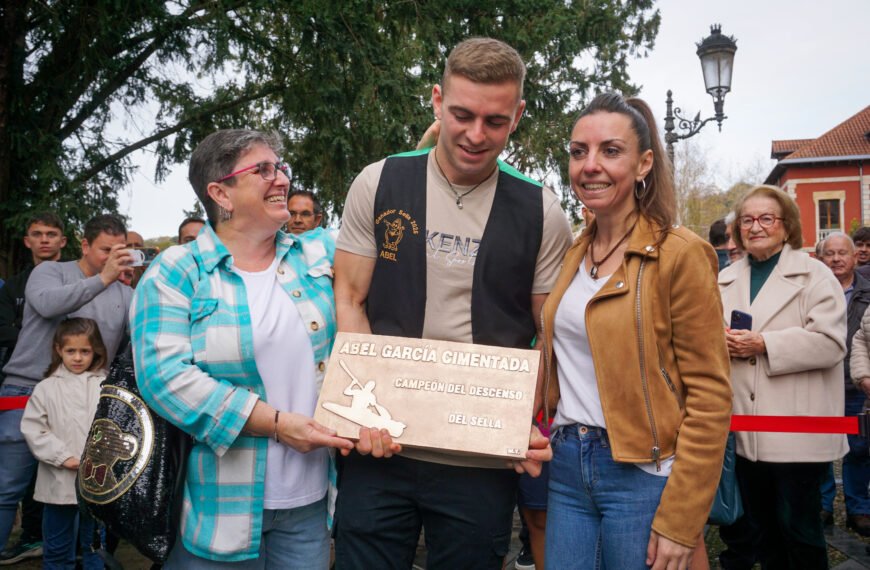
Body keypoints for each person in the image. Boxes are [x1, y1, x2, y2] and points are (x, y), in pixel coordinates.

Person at [333, 37, 573, 569]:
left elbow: (547, 332)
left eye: (495, 121)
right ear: (437, 101)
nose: (475, 134)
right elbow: (349, 298)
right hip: (381, 447)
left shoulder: (542, 211)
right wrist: (361, 404)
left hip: (480, 457)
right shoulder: (378, 182)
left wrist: (519, 420)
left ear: (518, 115)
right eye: (462, 114)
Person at [131, 129, 355, 567]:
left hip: (309, 509)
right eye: (263, 170)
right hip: (220, 512)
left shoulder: (318, 252)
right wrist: (274, 423)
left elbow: (385, 222)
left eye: (281, 168)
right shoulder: (177, 270)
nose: (282, 180)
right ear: (221, 193)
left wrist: (429, 151)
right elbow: (165, 379)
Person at [538, 92, 731, 570]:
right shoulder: (572, 256)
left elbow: (709, 395)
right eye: (578, 151)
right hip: (566, 469)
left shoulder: (679, 253)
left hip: (643, 474)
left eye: (610, 151)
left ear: (644, 163)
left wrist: (683, 519)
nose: (590, 165)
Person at [718, 185, 847, 569]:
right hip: (744, 432)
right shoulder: (725, 279)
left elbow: (830, 343)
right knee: (762, 534)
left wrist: (764, 344)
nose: (755, 227)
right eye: (747, 220)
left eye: (766, 219)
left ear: (786, 225)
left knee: (801, 533)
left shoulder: (815, 275)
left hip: (797, 433)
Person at [0, 214, 133, 558]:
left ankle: (79, 560)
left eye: (120, 250)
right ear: (85, 245)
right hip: (28, 390)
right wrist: (103, 279)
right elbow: (47, 304)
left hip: (88, 400)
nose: (113, 258)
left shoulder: (127, 294)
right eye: (106, 250)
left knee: (87, 490)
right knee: (7, 488)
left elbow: (131, 347)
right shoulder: (50, 272)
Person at [0, 212, 67, 565]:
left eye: (51, 234)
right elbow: (3, 330)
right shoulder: (11, 286)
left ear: (63, 241)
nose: (44, 240)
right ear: (27, 241)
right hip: (20, 386)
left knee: (61, 477)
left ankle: (38, 542)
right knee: (11, 481)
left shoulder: (75, 280)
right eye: (37, 234)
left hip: (65, 387)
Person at [20, 318, 107, 570]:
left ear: (96, 351)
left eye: (85, 351)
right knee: (57, 548)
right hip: (57, 481)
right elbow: (34, 429)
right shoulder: (46, 388)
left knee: (95, 550)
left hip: (96, 483)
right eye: (71, 351)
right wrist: (63, 457)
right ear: (59, 350)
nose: (77, 358)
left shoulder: (106, 387)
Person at [818, 232, 870, 536]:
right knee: (821, 446)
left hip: (855, 386)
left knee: (859, 449)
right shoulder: (811, 290)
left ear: (854, 258)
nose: (836, 259)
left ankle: (858, 508)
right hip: (820, 383)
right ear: (820, 258)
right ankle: (822, 504)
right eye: (830, 254)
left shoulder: (867, 292)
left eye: (842, 253)